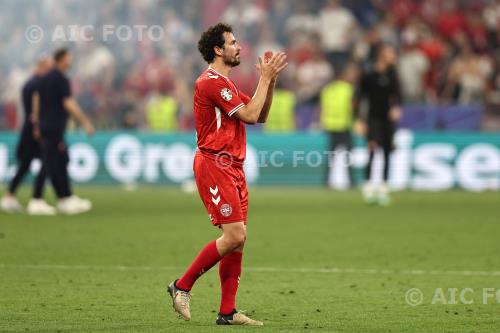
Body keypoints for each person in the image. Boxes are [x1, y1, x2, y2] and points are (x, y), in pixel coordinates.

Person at [167, 23, 287, 326]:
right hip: (214, 164)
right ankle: (181, 286)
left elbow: (259, 114)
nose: (239, 47)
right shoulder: (209, 82)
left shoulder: (227, 85)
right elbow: (247, 115)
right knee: (234, 234)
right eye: (232, 43)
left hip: (233, 166)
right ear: (218, 50)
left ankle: (227, 312)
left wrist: (269, 83)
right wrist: (264, 78)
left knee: (238, 240)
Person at [35, 48, 95, 215]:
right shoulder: (61, 79)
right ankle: (36, 199)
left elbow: (37, 99)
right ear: (61, 59)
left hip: (46, 125)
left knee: (60, 160)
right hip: (54, 126)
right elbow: (68, 103)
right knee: (48, 162)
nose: (70, 61)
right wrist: (85, 122)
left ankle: (65, 198)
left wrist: (37, 122)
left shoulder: (45, 78)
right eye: (68, 58)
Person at [0, 56, 55, 215]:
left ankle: (10, 196)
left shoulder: (29, 83)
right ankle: (37, 199)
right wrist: (38, 127)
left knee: (25, 164)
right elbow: (35, 109)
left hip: (27, 129)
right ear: (43, 66)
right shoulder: (38, 84)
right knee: (46, 160)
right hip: (34, 130)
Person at [358, 45, 402, 205]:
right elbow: (361, 97)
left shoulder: (393, 74)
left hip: (387, 119)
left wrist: (396, 107)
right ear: (382, 55)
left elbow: (398, 95)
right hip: (373, 118)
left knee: (387, 151)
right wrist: (361, 119)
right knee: (372, 149)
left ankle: (384, 187)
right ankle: (369, 186)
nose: (393, 56)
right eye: (391, 53)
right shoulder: (369, 75)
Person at [320, 63, 360, 188]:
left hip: (330, 126)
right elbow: (353, 107)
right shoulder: (349, 89)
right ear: (344, 75)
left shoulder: (327, 89)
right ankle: (351, 182)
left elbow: (322, 108)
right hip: (344, 126)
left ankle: (326, 182)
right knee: (348, 156)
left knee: (330, 157)